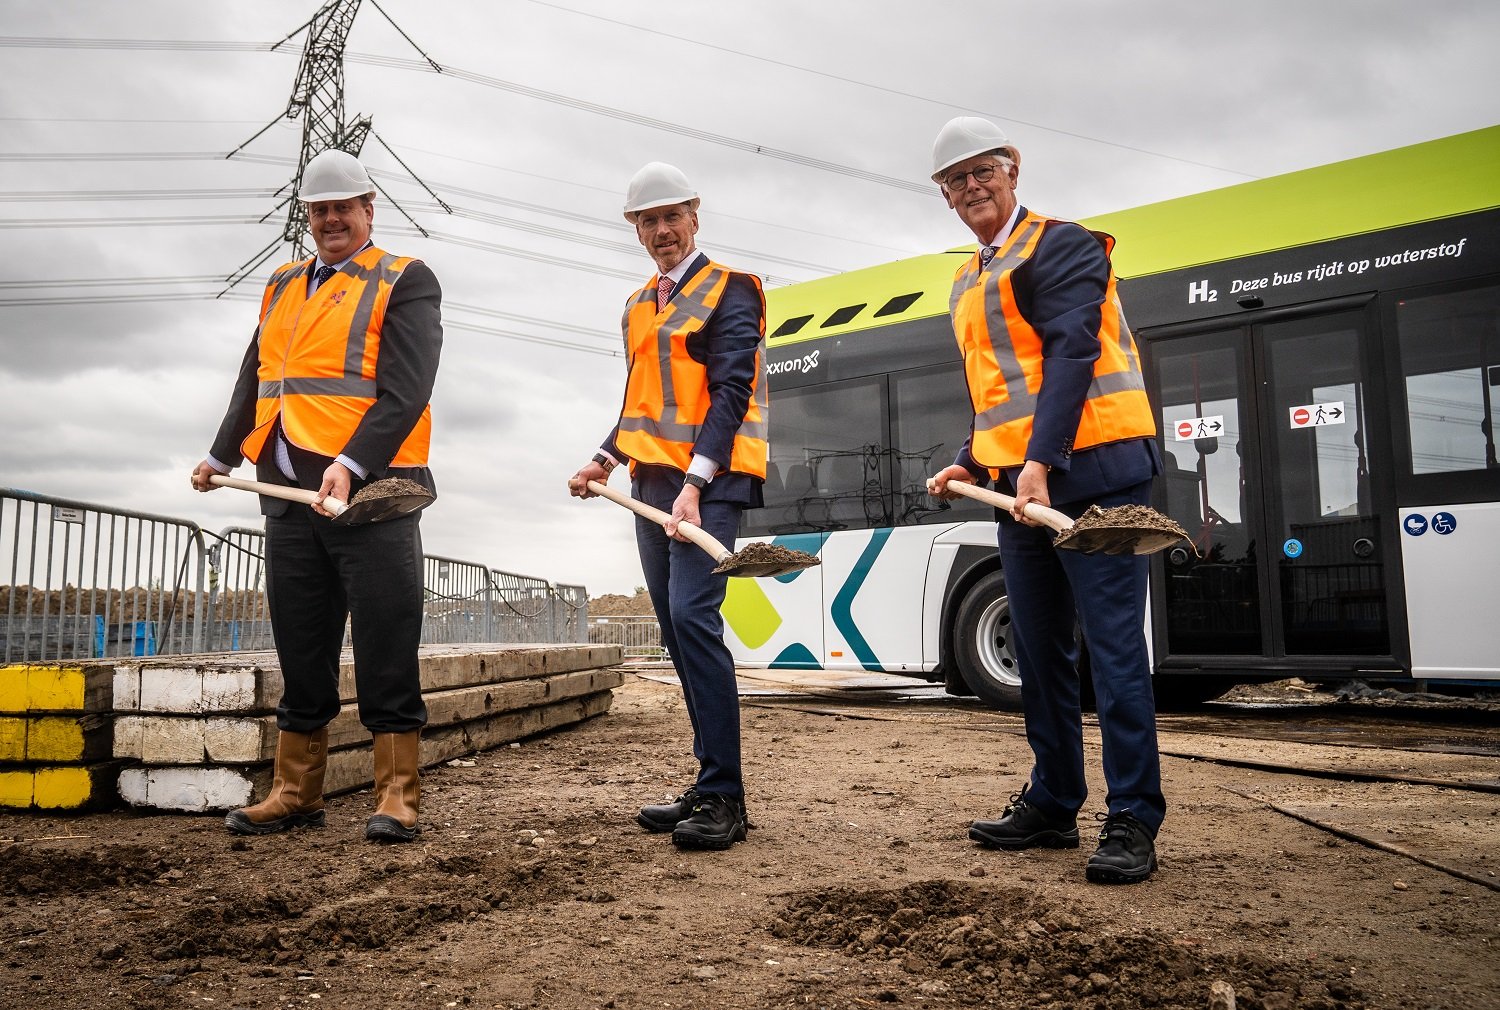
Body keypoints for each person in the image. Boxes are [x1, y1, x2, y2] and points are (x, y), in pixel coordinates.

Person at [926, 117, 1165, 884]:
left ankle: (1132, 816)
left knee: (1116, 650)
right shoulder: (968, 277)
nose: (970, 188)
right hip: (1014, 488)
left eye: (981, 172)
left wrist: (1041, 461)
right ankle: (1055, 800)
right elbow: (997, 386)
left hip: (1094, 473)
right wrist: (970, 457)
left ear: (1013, 168)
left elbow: (1072, 349)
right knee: (1038, 651)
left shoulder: (1063, 245)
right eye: (954, 180)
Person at [191, 148, 443, 845]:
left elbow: (407, 388)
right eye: (319, 209)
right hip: (285, 491)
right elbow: (257, 376)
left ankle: (398, 796)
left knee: (388, 642)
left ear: (369, 209)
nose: (332, 218)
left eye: (344, 206)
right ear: (308, 216)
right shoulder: (280, 284)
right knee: (301, 645)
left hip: (373, 497)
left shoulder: (405, 279)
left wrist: (354, 464)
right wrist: (220, 452)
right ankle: (296, 791)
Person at [568, 162, 767, 850]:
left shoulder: (732, 289)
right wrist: (605, 457)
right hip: (652, 486)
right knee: (676, 632)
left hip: (708, 481)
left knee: (692, 617)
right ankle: (710, 778)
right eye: (647, 221)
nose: (661, 232)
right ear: (635, 228)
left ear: (695, 214)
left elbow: (732, 390)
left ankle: (726, 799)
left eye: (671, 217)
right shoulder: (636, 304)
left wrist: (697, 481)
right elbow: (639, 403)